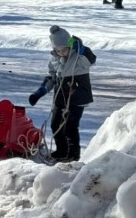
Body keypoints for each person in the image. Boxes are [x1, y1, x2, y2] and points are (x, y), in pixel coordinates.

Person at [28, 25, 97, 163]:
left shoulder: (79, 56)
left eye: (64, 49)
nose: (61, 53)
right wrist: (40, 92)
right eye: (58, 50)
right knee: (55, 125)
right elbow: (52, 78)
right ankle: (62, 151)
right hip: (60, 98)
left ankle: (73, 155)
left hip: (77, 97)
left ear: (69, 45)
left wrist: (82, 49)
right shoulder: (54, 59)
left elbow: (91, 59)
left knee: (70, 126)